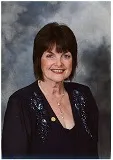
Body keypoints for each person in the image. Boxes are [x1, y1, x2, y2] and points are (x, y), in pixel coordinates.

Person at [2, 22, 99, 159]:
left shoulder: (84, 95)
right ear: (38, 59)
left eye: (66, 55)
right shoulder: (20, 103)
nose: (59, 63)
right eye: (50, 55)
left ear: (73, 59)